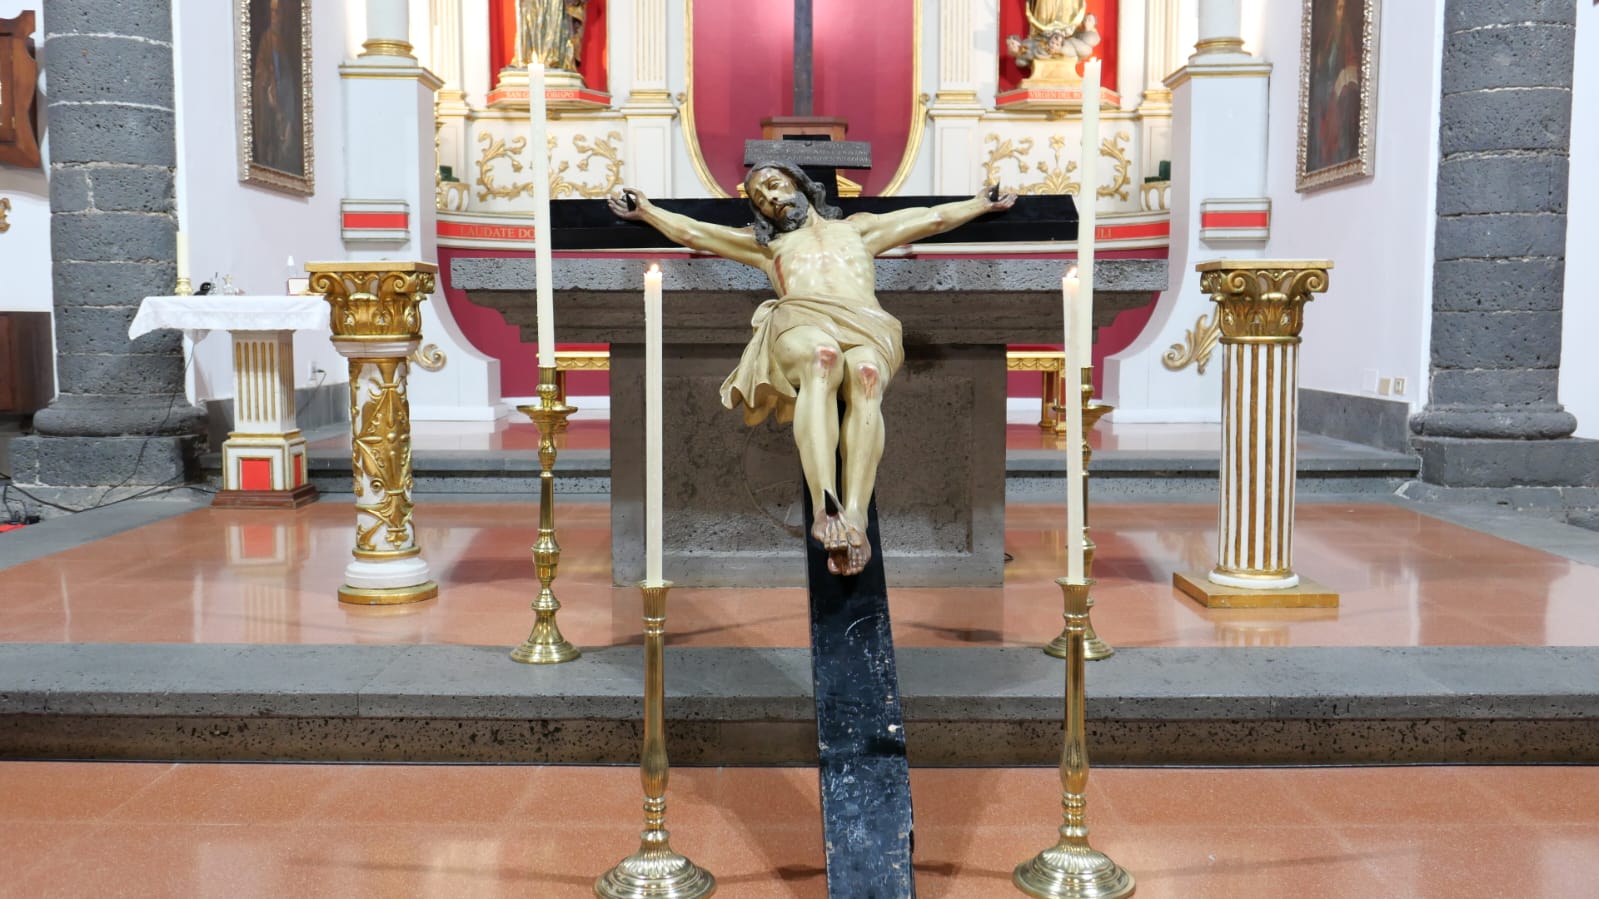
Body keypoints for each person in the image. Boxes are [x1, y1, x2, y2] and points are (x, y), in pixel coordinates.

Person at [610, 163, 1016, 576]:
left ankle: (854, 516)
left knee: (866, 376)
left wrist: (980, 204)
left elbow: (932, 219)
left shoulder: (859, 229)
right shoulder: (764, 246)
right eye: (760, 200)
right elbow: (694, 232)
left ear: (800, 184)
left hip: (866, 324)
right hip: (802, 321)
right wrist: (647, 211)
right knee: (823, 357)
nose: (770, 200)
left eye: (773, 186)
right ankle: (825, 509)